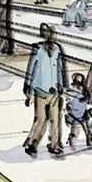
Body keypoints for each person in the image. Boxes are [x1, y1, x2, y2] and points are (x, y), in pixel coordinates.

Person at [23, 23, 69, 157]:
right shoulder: (37, 49)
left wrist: (64, 87)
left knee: (55, 120)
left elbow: (62, 69)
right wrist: (29, 92)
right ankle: (33, 144)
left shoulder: (59, 50)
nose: (54, 36)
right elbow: (31, 70)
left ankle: (54, 145)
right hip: (40, 91)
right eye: (52, 33)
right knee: (41, 119)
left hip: (55, 92)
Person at [65, 73, 92, 148]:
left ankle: (89, 141)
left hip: (83, 114)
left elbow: (89, 101)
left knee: (86, 128)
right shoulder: (71, 91)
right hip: (74, 115)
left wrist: (87, 98)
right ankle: (72, 144)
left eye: (79, 82)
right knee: (75, 130)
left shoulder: (84, 91)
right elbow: (68, 100)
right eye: (76, 82)